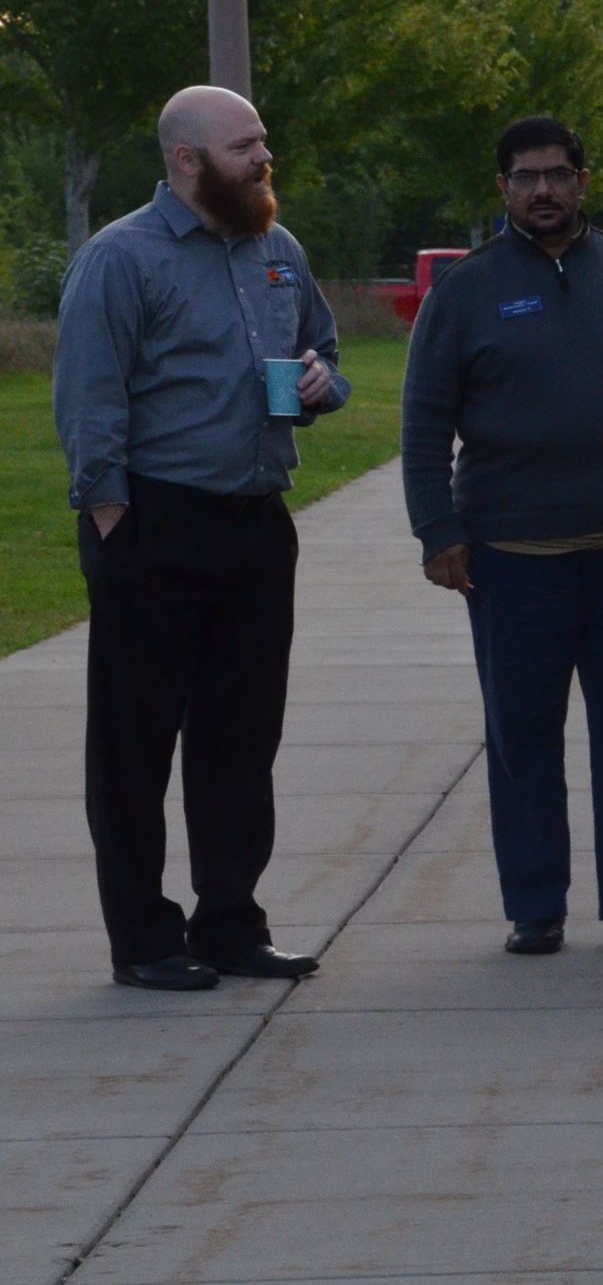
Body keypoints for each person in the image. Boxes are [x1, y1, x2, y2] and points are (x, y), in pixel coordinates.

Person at [400, 116, 603, 956]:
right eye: (524, 177)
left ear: (583, 180)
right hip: (512, 555)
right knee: (523, 735)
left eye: (556, 174)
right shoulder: (465, 290)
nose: (541, 190)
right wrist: (438, 529)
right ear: (502, 188)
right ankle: (535, 906)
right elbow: (425, 421)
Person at [53, 85, 349, 991]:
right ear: (187, 162)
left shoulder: (277, 249)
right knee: (136, 746)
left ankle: (230, 923)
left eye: (263, 141)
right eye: (245, 146)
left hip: (256, 527)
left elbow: (326, 357)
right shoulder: (122, 259)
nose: (265, 158)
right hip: (154, 524)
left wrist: (317, 382)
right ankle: (144, 939)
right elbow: (89, 399)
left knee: (240, 738)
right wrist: (112, 519)